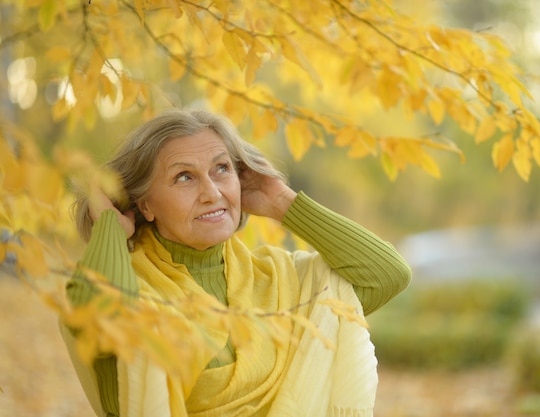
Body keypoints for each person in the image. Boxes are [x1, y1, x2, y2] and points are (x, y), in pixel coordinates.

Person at [61, 108, 411, 417]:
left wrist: (280, 201)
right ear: (145, 206)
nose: (212, 192)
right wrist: (109, 225)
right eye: (185, 177)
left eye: (222, 169)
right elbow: (95, 316)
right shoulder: (123, 283)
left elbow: (386, 274)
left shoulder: (280, 278)